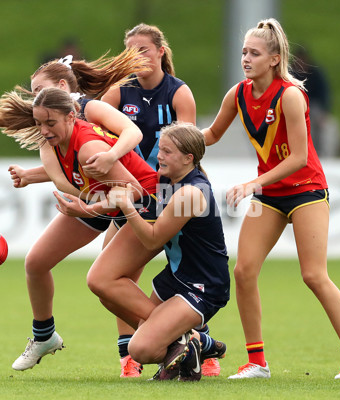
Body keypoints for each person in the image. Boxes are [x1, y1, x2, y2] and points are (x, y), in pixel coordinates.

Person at [201, 18, 340, 380]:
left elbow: (297, 158)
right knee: (244, 271)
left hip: (306, 190)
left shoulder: (290, 95)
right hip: (271, 194)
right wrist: (169, 138)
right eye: (244, 51)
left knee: (313, 275)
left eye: (254, 53)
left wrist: (252, 183)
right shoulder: (237, 94)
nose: (245, 58)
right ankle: (256, 363)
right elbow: (211, 135)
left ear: (275, 59)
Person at [0, 86, 162, 372]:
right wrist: (31, 177)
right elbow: (71, 179)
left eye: (50, 123)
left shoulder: (89, 145)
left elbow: (134, 190)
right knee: (61, 271)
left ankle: (183, 337)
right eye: (38, 123)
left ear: (71, 115)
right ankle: (175, 339)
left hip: (150, 207)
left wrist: (87, 209)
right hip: (108, 203)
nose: (43, 130)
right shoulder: (59, 141)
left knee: (104, 282)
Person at [100, 23, 225, 378]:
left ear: (160, 52)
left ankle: (193, 339)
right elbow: (91, 127)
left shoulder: (178, 92)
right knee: (109, 279)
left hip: (166, 195)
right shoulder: (119, 91)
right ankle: (133, 356)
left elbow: (188, 148)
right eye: (130, 51)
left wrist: (151, 186)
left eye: (144, 49)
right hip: (135, 194)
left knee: (188, 261)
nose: (137, 57)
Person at [96, 122, 230, 381]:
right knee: (108, 295)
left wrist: (126, 206)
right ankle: (191, 346)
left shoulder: (191, 192)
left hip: (203, 286)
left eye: (167, 151)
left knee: (140, 348)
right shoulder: (168, 180)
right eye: (161, 149)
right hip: (175, 279)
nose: (159, 155)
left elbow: (152, 239)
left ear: (188, 158)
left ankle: (194, 342)